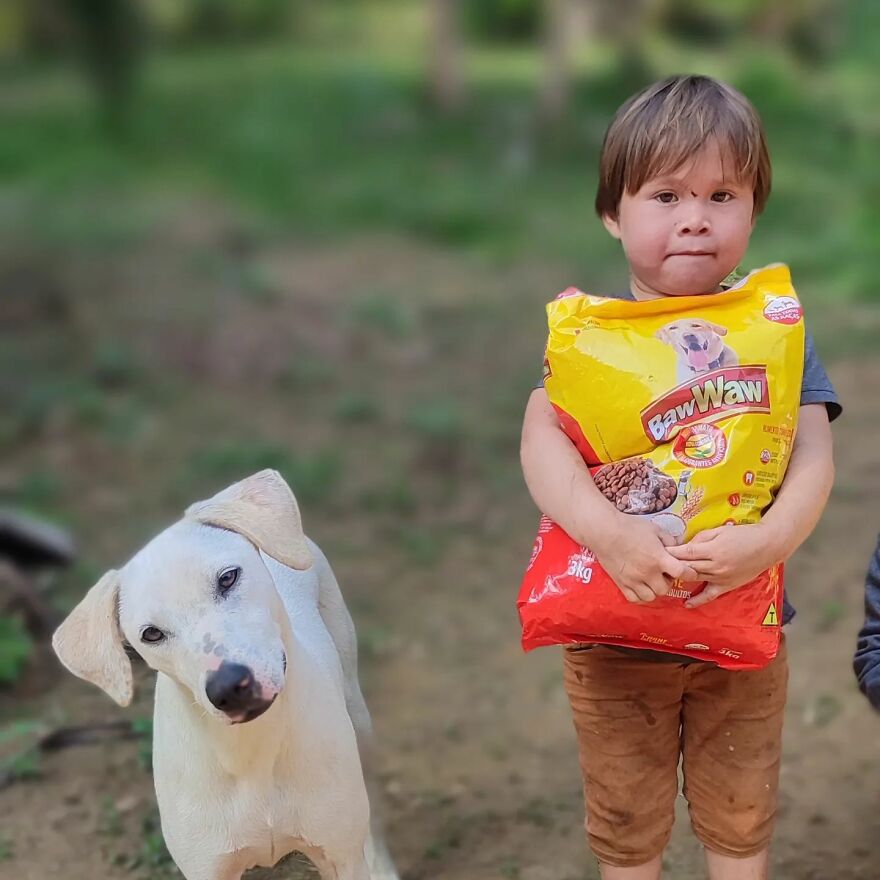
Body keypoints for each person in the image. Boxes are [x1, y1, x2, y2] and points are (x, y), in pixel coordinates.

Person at [519, 75, 840, 880]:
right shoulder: (589, 341)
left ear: (753, 211)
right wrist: (608, 533)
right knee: (627, 824)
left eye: (722, 193)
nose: (695, 215)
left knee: (741, 817)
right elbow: (541, 440)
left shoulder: (777, 333)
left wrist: (766, 540)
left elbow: (813, 458)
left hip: (742, 633)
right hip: (613, 634)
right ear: (612, 213)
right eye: (665, 194)